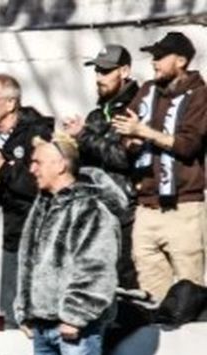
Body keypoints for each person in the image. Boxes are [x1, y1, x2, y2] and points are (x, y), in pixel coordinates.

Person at [15, 133, 123, 355]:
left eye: (38, 161)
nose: (31, 168)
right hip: (43, 324)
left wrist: (75, 315)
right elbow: (28, 260)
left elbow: (97, 266)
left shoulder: (91, 208)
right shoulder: (42, 206)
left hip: (76, 327)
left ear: (61, 165)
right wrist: (25, 309)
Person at [114, 32, 207, 301]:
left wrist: (144, 132)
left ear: (181, 60)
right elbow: (126, 131)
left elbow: (189, 145)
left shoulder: (199, 95)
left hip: (183, 207)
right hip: (146, 206)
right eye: (152, 56)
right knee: (151, 299)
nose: (153, 62)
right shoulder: (147, 91)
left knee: (191, 294)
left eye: (160, 56)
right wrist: (129, 138)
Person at [0, 74, 54, 329]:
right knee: (10, 315)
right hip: (13, 238)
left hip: (43, 236)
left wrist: (4, 170)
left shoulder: (39, 133)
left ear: (10, 103)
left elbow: (42, 186)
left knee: (43, 312)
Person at [64, 45, 143, 291]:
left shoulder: (136, 108)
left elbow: (123, 158)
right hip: (97, 215)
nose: (99, 78)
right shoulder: (96, 115)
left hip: (127, 215)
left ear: (125, 71)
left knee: (127, 287)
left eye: (106, 71)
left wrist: (84, 136)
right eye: (97, 71)